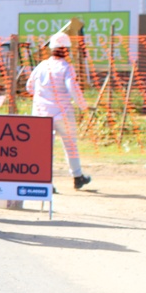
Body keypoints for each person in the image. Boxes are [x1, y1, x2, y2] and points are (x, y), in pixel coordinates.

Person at [27, 32, 91, 189]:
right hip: (63, 114)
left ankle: (46, 182)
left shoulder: (41, 66)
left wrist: (42, 96)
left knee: (45, 149)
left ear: (51, 49)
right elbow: (72, 88)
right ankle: (77, 176)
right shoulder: (67, 68)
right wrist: (83, 106)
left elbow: (29, 87)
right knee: (70, 145)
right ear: (66, 50)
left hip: (42, 115)